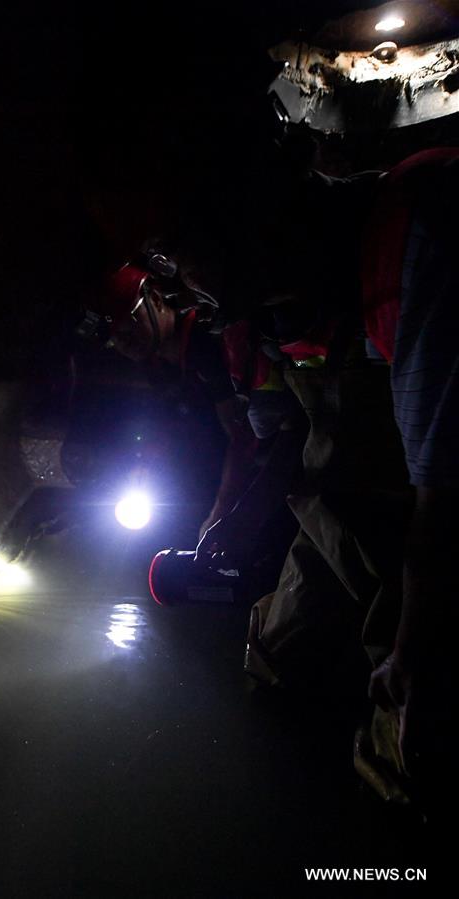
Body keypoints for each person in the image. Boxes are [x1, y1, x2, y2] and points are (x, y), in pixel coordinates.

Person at [226, 147, 459, 805]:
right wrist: (241, 509)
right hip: (335, 476)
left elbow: (440, 506)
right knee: (282, 649)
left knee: (368, 526)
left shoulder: (419, 239)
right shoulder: (257, 319)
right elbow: (276, 434)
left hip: (398, 487)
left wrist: (409, 655)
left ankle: (408, 761)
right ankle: (290, 675)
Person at [77, 242, 306, 573]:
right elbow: (159, 429)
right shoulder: (162, 367)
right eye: (112, 337)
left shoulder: (208, 344)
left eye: (127, 324)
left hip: (278, 472)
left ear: (155, 300)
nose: (122, 341)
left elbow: (245, 437)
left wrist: (222, 510)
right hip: (220, 489)